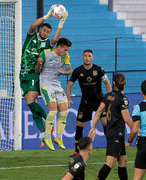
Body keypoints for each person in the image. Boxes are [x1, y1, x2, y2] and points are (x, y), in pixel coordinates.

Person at [19, 5, 68, 147]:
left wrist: (61, 23)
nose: (46, 34)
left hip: (36, 73)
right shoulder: (31, 37)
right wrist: (47, 16)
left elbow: (56, 39)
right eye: (45, 30)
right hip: (23, 73)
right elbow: (33, 25)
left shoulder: (48, 44)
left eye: (48, 32)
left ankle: (48, 122)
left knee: (30, 102)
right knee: (31, 105)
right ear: (40, 30)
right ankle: (43, 132)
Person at [89, 73, 133, 180]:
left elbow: (99, 111)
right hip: (117, 134)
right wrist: (139, 130)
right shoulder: (123, 99)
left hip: (110, 132)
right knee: (110, 162)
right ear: (125, 83)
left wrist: (93, 128)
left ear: (113, 83)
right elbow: (127, 119)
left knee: (123, 161)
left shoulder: (107, 96)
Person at [66, 49, 111, 153]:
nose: (87, 58)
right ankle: (77, 151)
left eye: (89, 56)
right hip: (85, 102)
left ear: (92, 58)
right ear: (82, 57)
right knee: (79, 126)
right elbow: (69, 85)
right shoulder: (78, 71)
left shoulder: (99, 69)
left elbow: (107, 83)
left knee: (105, 123)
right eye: (85, 56)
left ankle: (111, 148)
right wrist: (68, 98)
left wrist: (108, 98)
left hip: (99, 101)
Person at [35, 38, 72, 151]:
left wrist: (64, 72)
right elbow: (37, 71)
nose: (66, 52)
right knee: (53, 110)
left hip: (57, 84)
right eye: (65, 50)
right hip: (46, 84)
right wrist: (39, 64)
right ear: (59, 46)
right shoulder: (46, 53)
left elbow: (69, 71)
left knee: (64, 111)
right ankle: (47, 137)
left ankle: (59, 138)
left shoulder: (65, 56)